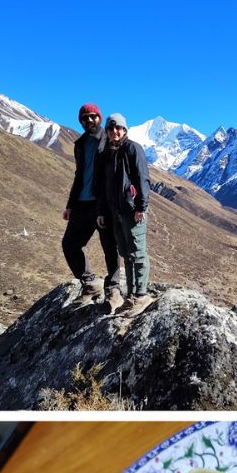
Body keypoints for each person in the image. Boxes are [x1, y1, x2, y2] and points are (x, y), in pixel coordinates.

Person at [95, 113, 153, 316]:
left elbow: (142, 178)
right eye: (110, 129)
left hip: (132, 211)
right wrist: (102, 211)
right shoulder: (108, 154)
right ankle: (132, 296)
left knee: (137, 253)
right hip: (115, 212)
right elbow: (104, 187)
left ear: (125, 130)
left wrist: (141, 207)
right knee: (126, 254)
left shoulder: (132, 149)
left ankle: (142, 294)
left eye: (118, 128)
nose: (114, 132)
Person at [61, 103, 119, 305]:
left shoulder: (109, 139)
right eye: (85, 118)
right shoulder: (80, 144)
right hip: (81, 204)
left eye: (93, 116)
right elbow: (79, 175)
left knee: (109, 247)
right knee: (70, 244)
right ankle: (90, 283)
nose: (89, 121)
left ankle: (113, 288)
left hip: (101, 204)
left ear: (99, 118)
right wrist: (70, 204)